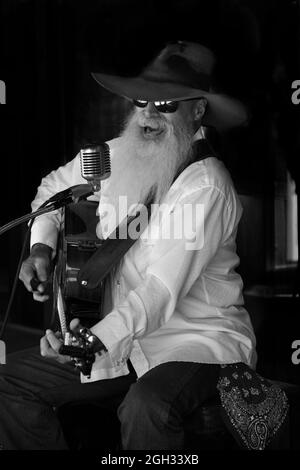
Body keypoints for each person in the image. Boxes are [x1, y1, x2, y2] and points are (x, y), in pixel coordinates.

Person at [0, 41, 288, 451]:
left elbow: (160, 291)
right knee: (8, 382)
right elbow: (52, 190)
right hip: (122, 340)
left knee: (146, 406)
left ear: (198, 110)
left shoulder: (207, 186)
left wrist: (90, 343)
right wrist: (41, 249)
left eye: (167, 103)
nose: (149, 113)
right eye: (141, 101)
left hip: (194, 343)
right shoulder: (115, 155)